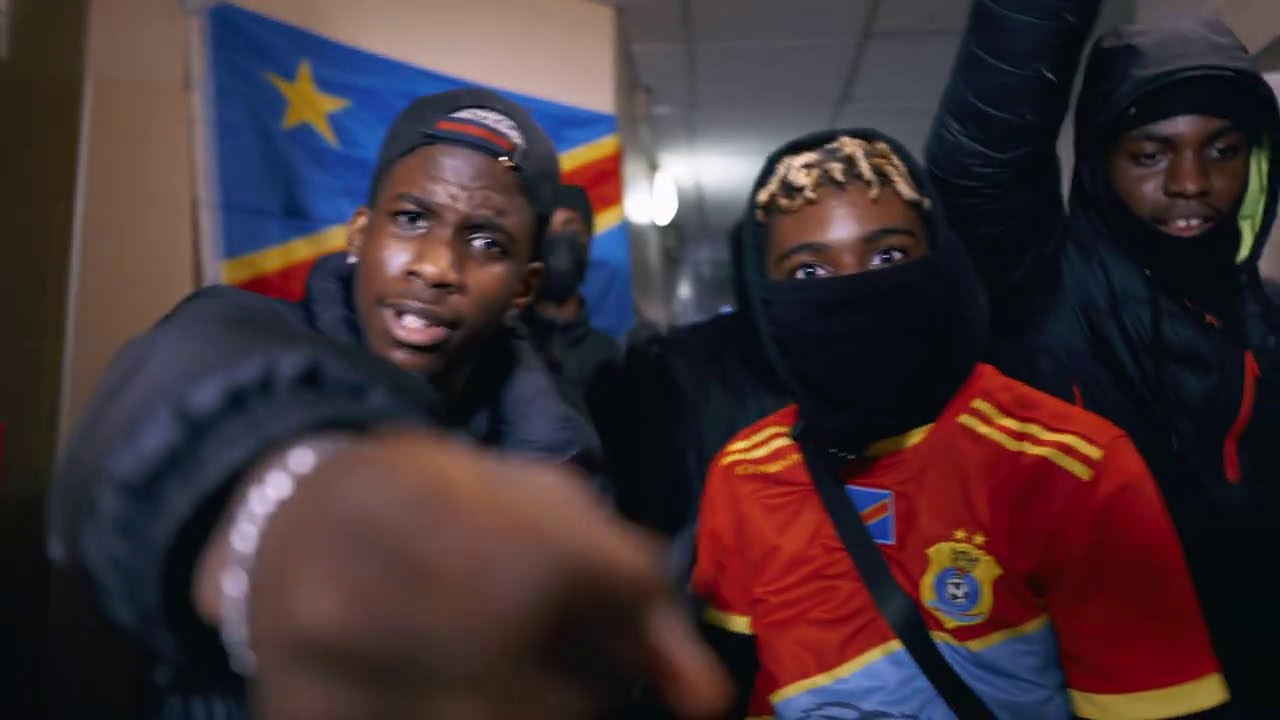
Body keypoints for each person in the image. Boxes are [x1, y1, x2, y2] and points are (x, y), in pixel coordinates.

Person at [48, 87, 729, 719]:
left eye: (486, 242)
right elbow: (168, 402)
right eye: (411, 219)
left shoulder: (558, 461)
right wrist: (296, 502)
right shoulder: (236, 333)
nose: (435, 266)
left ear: (523, 287)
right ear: (359, 234)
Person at [693, 128, 1228, 719]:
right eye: (809, 273)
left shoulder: (1066, 466)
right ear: (764, 298)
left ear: (942, 263)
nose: (855, 289)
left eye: (888, 256)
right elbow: (734, 684)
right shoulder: (746, 475)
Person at [926, 0, 1280, 708]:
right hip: (1096, 693)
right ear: (1098, 160)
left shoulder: (1266, 322)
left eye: (1223, 150)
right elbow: (981, 162)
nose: (1190, 182)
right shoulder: (1043, 293)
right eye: (1150, 154)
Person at [520, 183, 620, 419]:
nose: (558, 242)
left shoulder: (611, 358)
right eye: (547, 231)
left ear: (588, 241)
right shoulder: (503, 349)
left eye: (570, 229)